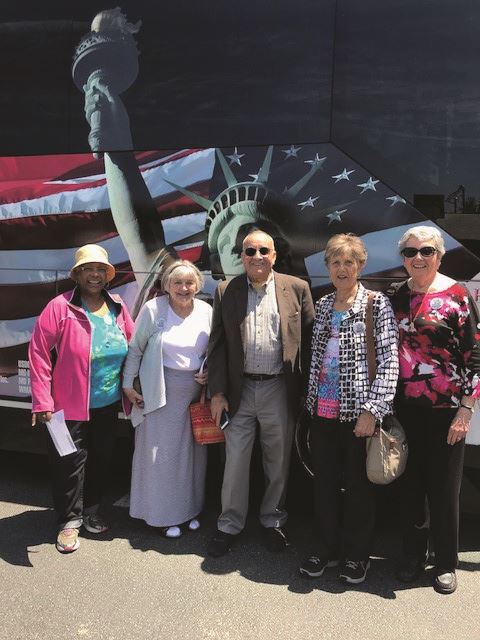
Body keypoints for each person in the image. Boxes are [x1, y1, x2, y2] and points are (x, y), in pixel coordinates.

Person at [207, 230, 314, 557]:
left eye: (263, 250)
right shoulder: (227, 289)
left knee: (277, 461)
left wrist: (306, 393)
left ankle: (273, 521)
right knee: (235, 462)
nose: (256, 256)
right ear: (241, 255)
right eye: (249, 250)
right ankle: (229, 525)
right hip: (240, 391)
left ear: (274, 255)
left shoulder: (296, 288)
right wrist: (217, 392)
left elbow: (310, 343)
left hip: (279, 389)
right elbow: (218, 344)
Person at [300, 233, 399, 585]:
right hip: (322, 414)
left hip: (359, 416)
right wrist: (310, 405)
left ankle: (357, 556)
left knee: (359, 488)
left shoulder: (376, 304)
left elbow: (389, 362)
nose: (342, 268)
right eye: (336, 262)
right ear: (328, 267)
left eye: (349, 262)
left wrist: (372, 410)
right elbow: (316, 361)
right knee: (323, 485)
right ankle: (325, 549)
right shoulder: (325, 304)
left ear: (360, 265)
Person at [388, 225, 480, 594]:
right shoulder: (396, 297)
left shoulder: (457, 295)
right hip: (405, 410)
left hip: (446, 412)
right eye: (410, 253)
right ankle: (413, 555)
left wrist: (466, 410)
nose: (418, 258)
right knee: (410, 487)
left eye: (426, 251)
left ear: (439, 255)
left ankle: (445, 562)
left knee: (443, 490)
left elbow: (475, 355)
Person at [29, 244, 134, 553]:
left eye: (101, 269)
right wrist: (42, 401)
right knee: (70, 464)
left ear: (107, 275)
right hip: (67, 406)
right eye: (89, 269)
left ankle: (91, 512)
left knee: (101, 460)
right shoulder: (59, 307)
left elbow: (134, 346)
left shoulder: (117, 306)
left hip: (107, 403)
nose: (95, 275)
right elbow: (38, 353)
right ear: (77, 274)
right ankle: (68, 521)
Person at [122, 260, 212, 537]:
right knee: (162, 457)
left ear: (197, 284)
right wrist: (128, 385)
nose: (184, 288)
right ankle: (162, 516)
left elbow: (213, 349)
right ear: (167, 285)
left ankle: (189, 511)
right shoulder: (153, 309)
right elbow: (136, 349)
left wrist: (209, 371)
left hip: (195, 395)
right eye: (177, 282)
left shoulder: (207, 310)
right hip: (159, 391)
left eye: (189, 282)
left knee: (192, 457)